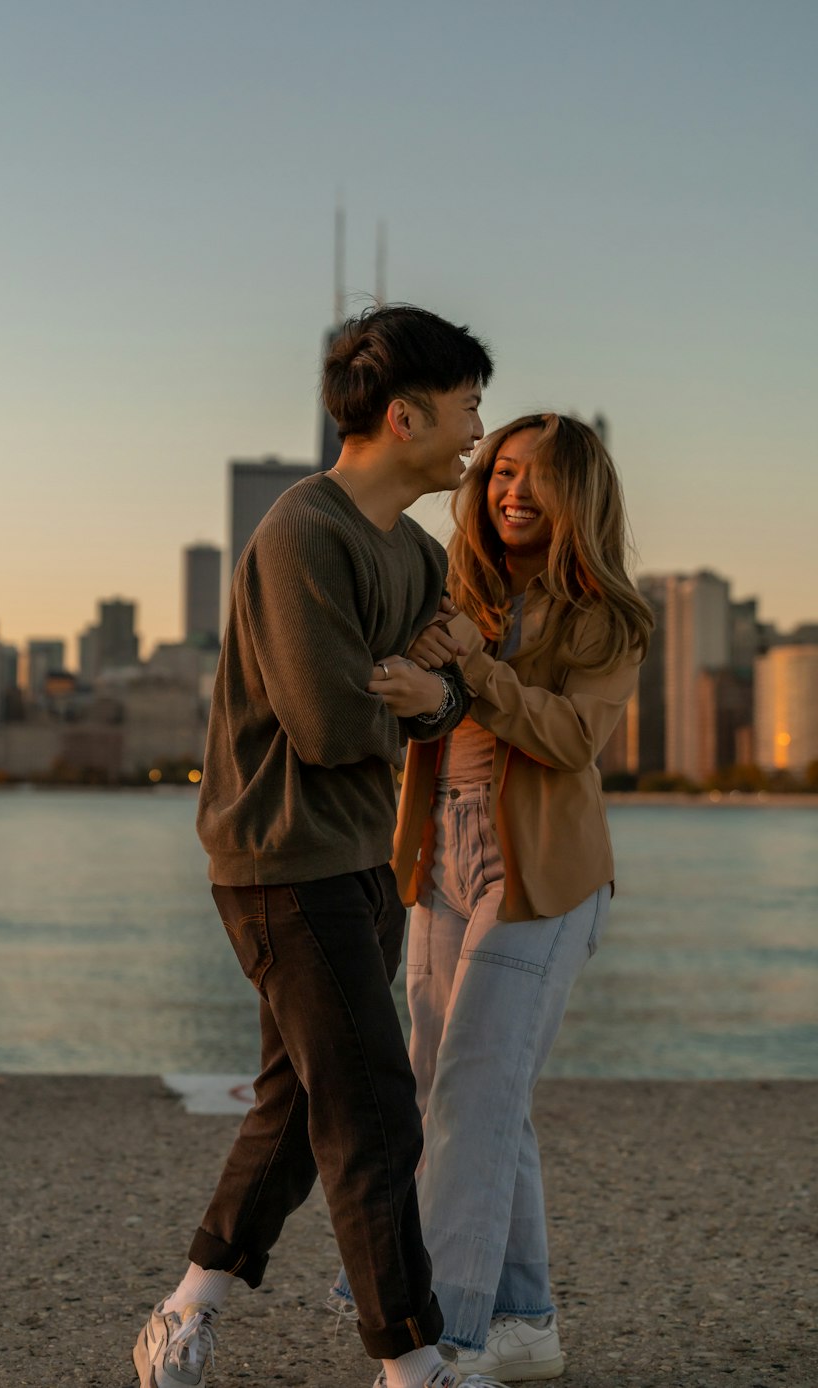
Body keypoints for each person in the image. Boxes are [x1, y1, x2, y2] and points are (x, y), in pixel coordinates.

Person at [132, 304, 506, 1388]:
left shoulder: (412, 551)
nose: (478, 428)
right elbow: (331, 725)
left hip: (359, 861)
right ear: (406, 414)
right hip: (282, 866)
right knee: (375, 1113)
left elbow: (431, 705)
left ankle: (186, 1307)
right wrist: (416, 685)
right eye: (468, 403)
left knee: (299, 1102)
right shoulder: (303, 533)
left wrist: (425, 686)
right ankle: (412, 1359)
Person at [330, 412, 653, 1381]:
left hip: (540, 873)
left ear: (578, 497)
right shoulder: (444, 582)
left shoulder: (609, 617)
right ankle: (525, 1322)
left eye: (538, 478)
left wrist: (470, 667)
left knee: (473, 1088)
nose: (512, 490)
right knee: (458, 1090)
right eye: (501, 470)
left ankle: (447, 1338)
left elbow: (569, 740)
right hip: (438, 852)